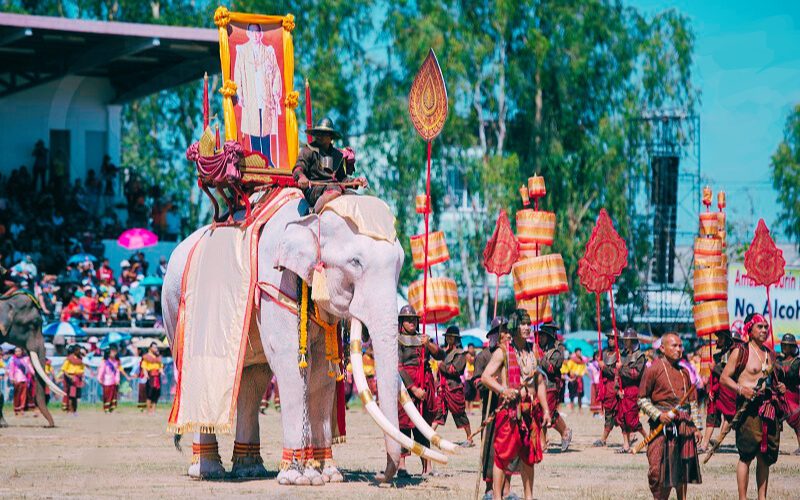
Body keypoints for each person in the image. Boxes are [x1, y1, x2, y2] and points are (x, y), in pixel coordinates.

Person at [481, 311, 551, 500]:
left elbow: (540, 382)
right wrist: (503, 390)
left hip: (530, 411)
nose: (527, 327)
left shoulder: (533, 350)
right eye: (523, 324)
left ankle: (529, 497)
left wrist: (545, 409)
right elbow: (485, 377)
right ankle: (497, 497)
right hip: (510, 411)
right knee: (502, 457)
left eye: (529, 324)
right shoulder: (503, 351)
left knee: (529, 457)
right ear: (515, 326)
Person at [720, 313, 786, 500]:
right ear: (750, 329)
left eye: (766, 327)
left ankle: (761, 497)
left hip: (767, 408)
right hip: (748, 410)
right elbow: (724, 378)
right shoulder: (740, 352)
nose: (764, 330)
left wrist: (778, 387)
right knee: (747, 455)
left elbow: (771, 381)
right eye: (760, 327)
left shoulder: (769, 354)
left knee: (765, 456)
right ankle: (743, 498)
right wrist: (741, 389)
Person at [637, 332, 702, 499]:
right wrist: (659, 415)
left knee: (682, 471)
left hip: (683, 427)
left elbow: (692, 403)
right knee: (657, 472)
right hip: (661, 429)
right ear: (662, 348)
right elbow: (642, 400)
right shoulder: (653, 369)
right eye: (674, 345)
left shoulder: (684, 372)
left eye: (680, 346)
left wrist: (696, 428)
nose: (679, 349)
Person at [396, 304, 443, 476]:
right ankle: (401, 465)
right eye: (408, 320)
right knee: (404, 426)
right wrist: (413, 388)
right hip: (406, 389)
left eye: (414, 320)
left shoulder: (424, 338)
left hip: (425, 387)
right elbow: (398, 366)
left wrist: (428, 344)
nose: (412, 323)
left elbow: (440, 355)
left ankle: (427, 467)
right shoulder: (397, 340)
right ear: (401, 322)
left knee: (423, 427)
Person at [292, 117, 366, 213]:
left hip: (335, 188)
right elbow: (298, 168)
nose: (319, 136)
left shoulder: (337, 155)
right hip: (314, 190)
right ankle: (313, 213)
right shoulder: (308, 150)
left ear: (331, 137)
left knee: (356, 197)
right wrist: (301, 177)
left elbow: (342, 179)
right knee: (334, 189)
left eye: (323, 133)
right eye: (318, 133)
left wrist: (355, 181)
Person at [234, 23, 283, 164]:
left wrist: (275, 93)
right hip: (251, 95)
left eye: (257, 32)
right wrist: (240, 93)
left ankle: (267, 158)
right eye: (252, 32)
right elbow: (238, 73)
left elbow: (276, 73)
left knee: (265, 126)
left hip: (265, 95)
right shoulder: (242, 51)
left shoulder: (268, 51)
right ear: (248, 33)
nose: (255, 35)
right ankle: (256, 158)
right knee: (254, 126)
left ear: (261, 34)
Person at [473, 316, 507, 499]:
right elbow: (477, 382)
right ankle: (489, 486)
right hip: (491, 408)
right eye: (501, 332)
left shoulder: (511, 355)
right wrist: (489, 383)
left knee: (508, 448)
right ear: (494, 335)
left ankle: (505, 488)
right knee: (489, 446)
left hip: (508, 408)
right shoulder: (483, 356)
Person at [699, 329, 740, 453]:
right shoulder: (718, 356)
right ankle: (704, 445)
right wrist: (711, 388)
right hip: (716, 392)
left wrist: (715, 368)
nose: (718, 340)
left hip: (728, 392)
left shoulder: (734, 356)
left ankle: (718, 442)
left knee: (729, 417)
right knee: (711, 417)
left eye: (721, 337)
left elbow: (727, 375)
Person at [432, 326, 473, 445]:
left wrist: (441, 366)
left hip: (454, 388)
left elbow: (455, 370)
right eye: (448, 336)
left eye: (452, 337)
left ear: (456, 339)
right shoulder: (443, 352)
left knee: (459, 413)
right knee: (439, 412)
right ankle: (429, 435)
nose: (449, 338)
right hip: (442, 388)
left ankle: (469, 438)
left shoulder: (460, 354)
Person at [537, 322, 572, 451]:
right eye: (540, 335)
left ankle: (565, 432)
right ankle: (542, 443)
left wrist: (540, 357)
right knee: (540, 414)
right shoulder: (541, 349)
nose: (540, 338)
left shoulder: (557, 351)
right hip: (540, 385)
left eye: (543, 336)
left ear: (550, 336)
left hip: (551, 386)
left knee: (548, 414)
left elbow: (552, 369)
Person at [616, 328, 648, 452]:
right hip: (622, 391)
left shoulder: (640, 357)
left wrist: (621, 368)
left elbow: (635, 374)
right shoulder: (622, 355)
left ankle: (647, 438)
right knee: (621, 418)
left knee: (631, 419)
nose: (624, 342)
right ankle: (626, 444)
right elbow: (617, 375)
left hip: (633, 390)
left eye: (627, 340)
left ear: (632, 341)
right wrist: (618, 388)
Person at [594, 331, 621, 447]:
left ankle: (603, 438)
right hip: (606, 387)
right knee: (610, 412)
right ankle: (631, 435)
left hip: (615, 386)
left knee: (617, 413)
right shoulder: (604, 353)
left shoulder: (621, 354)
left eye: (613, 338)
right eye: (609, 338)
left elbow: (617, 372)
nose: (610, 340)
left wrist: (604, 367)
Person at [776, 333, 800, 455]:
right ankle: (774, 446)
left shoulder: (797, 362)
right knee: (775, 420)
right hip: (779, 395)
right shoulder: (778, 360)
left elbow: (791, 375)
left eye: (787, 345)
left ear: (792, 347)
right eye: (784, 345)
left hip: (793, 395)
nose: (785, 348)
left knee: (797, 423)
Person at [96, 345, 127, 413]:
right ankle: (106, 408)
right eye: (112, 352)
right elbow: (101, 371)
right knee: (107, 395)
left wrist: (117, 380)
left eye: (115, 351)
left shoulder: (116, 362)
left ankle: (111, 408)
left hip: (113, 381)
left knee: (113, 395)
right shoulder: (105, 362)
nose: (114, 353)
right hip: (106, 381)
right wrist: (99, 379)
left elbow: (117, 372)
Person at [58, 345, 85, 414]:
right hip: (70, 379)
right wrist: (70, 377)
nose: (79, 351)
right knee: (71, 395)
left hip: (78, 379)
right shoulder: (69, 359)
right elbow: (64, 369)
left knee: (76, 395)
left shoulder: (80, 359)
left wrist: (82, 378)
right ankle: (70, 409)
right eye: (78, 350)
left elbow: (82, 369)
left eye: (79, 350)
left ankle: (75, 409)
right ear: (74, 351)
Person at [141, 342, 164, 414]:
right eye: (154, 347)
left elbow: (160, 366)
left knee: (156, 393)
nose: (156, 348)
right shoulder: (146, 356)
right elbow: (144, 366)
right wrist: (145, 374)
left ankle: (153, 410)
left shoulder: (158, 357)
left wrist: (161, 371)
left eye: (156, 347)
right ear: (150, 348)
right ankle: (149, 410)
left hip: (157, 376)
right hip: (150, 376)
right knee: (149, 394)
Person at [7, 347, 31, 416]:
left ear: (22, 352)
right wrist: (11, 378)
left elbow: (29, 368)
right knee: (16, 395)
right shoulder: (13, 360)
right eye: (16, 351)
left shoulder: (25, 359)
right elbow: (11, 370)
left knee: (23, 395)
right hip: (17, 380)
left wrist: (34, 374)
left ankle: (22, 409)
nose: (18, 352)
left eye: (19, 351)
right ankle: (16, 409)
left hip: (24, 379)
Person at [564, 348, 587, 412]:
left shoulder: (582, 361)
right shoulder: (572, 360)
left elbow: (584, 369)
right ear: (575, 352)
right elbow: (568, 368)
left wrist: (582, 373)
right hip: (573, 378)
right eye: (578, 352)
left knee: (580, 393)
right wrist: (572, 373)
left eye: (580, 352)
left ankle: (580, 408)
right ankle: (572, 408)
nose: (579, 353)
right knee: (572, 393)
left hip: (579, 378)